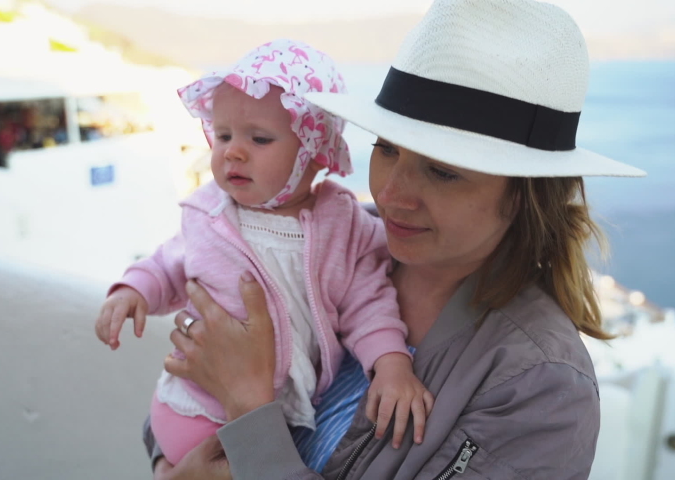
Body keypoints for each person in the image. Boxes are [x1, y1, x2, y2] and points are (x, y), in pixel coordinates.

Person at [149, 0, 647, 478]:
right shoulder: (338, 237)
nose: (390, 195)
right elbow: (181, 396)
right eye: (386, 150)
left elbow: (234, 391)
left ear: (523, 197)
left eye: (442, 172)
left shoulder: (540, 388)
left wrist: (249, 410)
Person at [94, 39, 432, 467]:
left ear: (313, 156)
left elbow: (367, 302)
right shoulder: (211, 214)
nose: (233, 151)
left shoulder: (339, 225)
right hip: (194, 405)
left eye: (259, 138)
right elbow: (167, 263)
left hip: (276, 416)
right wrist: (133, 290)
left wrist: (391, 364)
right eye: (223, 135)